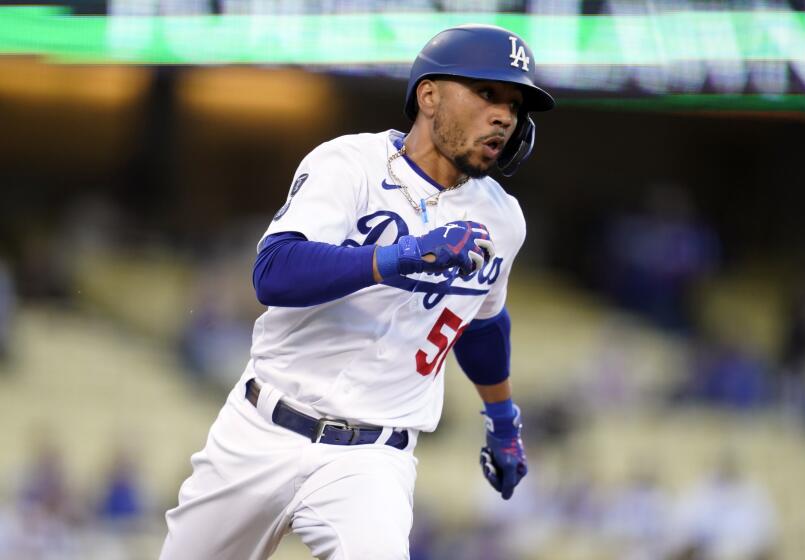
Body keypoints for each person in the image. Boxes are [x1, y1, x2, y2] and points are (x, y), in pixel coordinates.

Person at [160, 23, 554, 560]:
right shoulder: (350, 164)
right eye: (488, 93)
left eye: (514, 104)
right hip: (261, 431)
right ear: (429, 94)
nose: (505, 116)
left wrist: (503, 420)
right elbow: (274, 272)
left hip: (371, 459)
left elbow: (482, 321)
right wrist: (401, 256)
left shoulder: (503, 219)